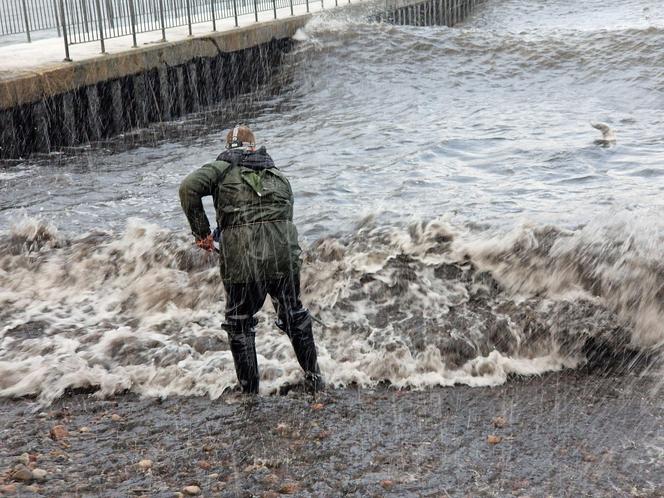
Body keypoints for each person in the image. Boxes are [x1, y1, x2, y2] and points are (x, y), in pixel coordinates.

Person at [178, 124, 324, 394]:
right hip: (284, 257)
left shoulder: (221, 168)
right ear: (253, 147)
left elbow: (188, 189)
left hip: (244, 262)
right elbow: (273, 217)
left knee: (240, 322)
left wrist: (202, 233)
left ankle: (250, 393)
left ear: (227, 149)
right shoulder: (278, 175)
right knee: (294, 315)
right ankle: (315, 379)